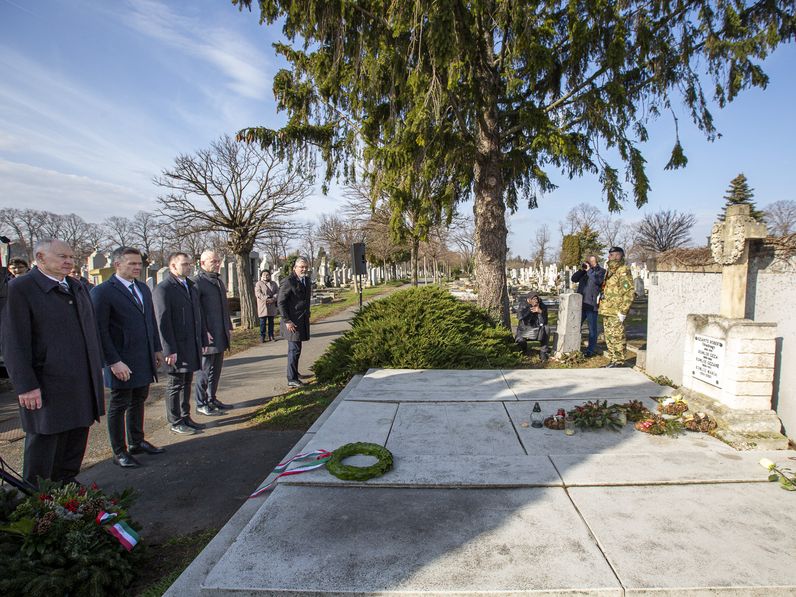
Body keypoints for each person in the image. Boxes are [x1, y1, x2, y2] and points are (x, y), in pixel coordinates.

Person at [1, 239, 104, 486]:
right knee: (46, 443)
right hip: (47, 383)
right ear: (41, 258)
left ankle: (67, 486)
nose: (68, 261)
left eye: (70, 256)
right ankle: (38, 501)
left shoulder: (76, 286)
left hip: (80, 380)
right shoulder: (21, 288)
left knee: (76, 437)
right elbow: (13, 341)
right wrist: (26, 385)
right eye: (62, 256)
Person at [91, 247, 165, 468]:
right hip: (120, 359)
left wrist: (156, 349)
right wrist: (113, 361)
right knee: (119, 404)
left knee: (139, 399)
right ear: (117, 265)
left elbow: (149, 321)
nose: (137, 267)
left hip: (142, 356)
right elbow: (100, 330)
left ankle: (136, 441)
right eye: (131, 263)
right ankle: (119, 450)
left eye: (139, 264)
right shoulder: (103, 292)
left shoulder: (142, 287)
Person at [153, 252, 207, 434]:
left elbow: (197, 316)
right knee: (175, 384)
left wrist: (203, 339)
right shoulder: (164, 289)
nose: (188, 267)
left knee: (187, 382)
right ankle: (175, 421)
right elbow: (162, 321)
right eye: (184, 264)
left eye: (189, 264)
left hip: (191, 343)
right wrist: (168, 349)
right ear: (173, 266)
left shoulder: (190, 286)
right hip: (176, 346)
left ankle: (186, 416)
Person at [192, 250, 233, 416]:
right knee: (204, 371)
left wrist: (228, 327)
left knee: (216, 369)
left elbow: (224, 308)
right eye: (213, 261)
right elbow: (196, 311)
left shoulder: (218, 281)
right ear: (202, 264)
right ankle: (201, 403)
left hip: (221, 332)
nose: (217, 264)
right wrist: (203, 332)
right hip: (207, 335)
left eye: (218, 261)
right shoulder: (197, 282)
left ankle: (212, 398)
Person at [277, 257, 311, 387]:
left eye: (305, 267)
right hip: (291, 322)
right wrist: (287, 320)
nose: (304, 269)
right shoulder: (288, 281)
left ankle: (295, 372)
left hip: (302, 320)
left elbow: (305, 299)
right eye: (301, 267)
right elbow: (281, 302)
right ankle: (291, 379)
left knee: (298, 348)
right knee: (294, 349)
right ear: (294, 268)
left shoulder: (306, 280)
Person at [599, 246, 635, 368]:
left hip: (617, 310)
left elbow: (629, 292)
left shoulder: (623, 270)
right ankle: (613, 360)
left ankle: (619, 361)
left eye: (613, 254)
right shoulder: (610, 270)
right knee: (609, 337)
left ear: (619, 255)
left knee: (617, 336)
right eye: (610, 254)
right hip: (607, 309)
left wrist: (623, 311)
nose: (610, 257)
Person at [571, 255, 606, 357]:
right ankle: (573, 347)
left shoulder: (601, 271)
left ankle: (590, 350)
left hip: (591, 305)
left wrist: (590, 270)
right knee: (575, 327)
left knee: (592, 329)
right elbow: (574, 279)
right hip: (580, 304)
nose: (589, 263)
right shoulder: (584, 272)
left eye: (591, 261)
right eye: (588, 261)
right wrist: (582, 270)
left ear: (596, 262)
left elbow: (598, 281)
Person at [515, 293, 551, 362]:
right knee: (520, 340)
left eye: (536, 299)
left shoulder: (542, 306)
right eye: (533, 299)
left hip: (537, 330)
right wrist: (530, 310)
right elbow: (520, 317)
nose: (536, 301)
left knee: (546, 328)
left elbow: (544, 321)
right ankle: (524, 351)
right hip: (524, 330)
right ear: (529, 300)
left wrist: (540, 312)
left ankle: (543, 352)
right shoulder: (523, 305)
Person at [255, 270, 279, 343]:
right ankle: (262, 336)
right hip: (263, 305)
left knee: (271, 322)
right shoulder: (259, 284)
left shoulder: (274, 283)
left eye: (267, 275)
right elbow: (258, 293)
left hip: (271, 305)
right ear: (261, 276)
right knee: (263, 322)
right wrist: (266, 298)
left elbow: (277, 292)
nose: (266, 276)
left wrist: (273, 299)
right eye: (264, 275)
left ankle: (271, 335)